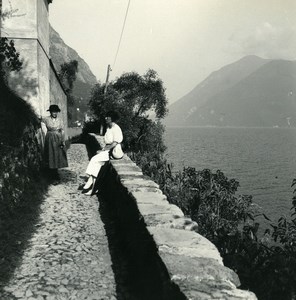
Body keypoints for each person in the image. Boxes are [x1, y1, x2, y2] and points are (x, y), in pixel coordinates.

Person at [82, 110, 123, 195]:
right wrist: (104, 149)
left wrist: (103, 150)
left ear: (112, 118)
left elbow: (114, 143)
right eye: (106, 116)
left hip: (114, 151)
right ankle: (94, 188)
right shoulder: (108, 127)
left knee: (94, 159)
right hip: (108, 150)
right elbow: (107, 142)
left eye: (108, 117)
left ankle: (91, 181)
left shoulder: (116, 128)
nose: (106, 118)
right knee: (96, 164)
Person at [41, 104, 68, 180]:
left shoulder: (60, 120)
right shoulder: (45, 119)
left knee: (57, 155)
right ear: (50, 112)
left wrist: (62, 141)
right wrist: (46, 139)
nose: (55, 113)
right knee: (50, 155)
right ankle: (51, 174)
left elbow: (62, 130)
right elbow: (44, 130)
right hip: (49, 138)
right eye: (53, 112)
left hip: (58, 138)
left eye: (56, 112)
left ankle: (56, 174)